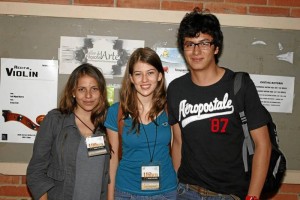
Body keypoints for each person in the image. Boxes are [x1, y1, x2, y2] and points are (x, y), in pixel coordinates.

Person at [167, 7, 272, 200]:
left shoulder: (240, 86)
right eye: (190, 44)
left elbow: (263, 145)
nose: (196, 51)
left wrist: (253, 196)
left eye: (204, 43)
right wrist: (174, 187)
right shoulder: (175, 89)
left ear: (216, 48)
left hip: (228, 195)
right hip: (186, 191)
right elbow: (178, 142)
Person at [27, 63, 110, 200]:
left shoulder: (108, 123)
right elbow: (36, 170)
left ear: (101, 91)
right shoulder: (55, 120)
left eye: (94, 89)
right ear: (73, 92)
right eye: (81, 89)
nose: (88, 95)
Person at [104, 47, 177, 200]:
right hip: (126, 193)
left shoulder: (171, 109)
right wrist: (110, 198)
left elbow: (179, 147)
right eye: (138, 74)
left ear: (159, 76)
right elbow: (113, 160)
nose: (144, 80)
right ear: (131, 78)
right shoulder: (116, 112)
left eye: (150, 73)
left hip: (167, 193)